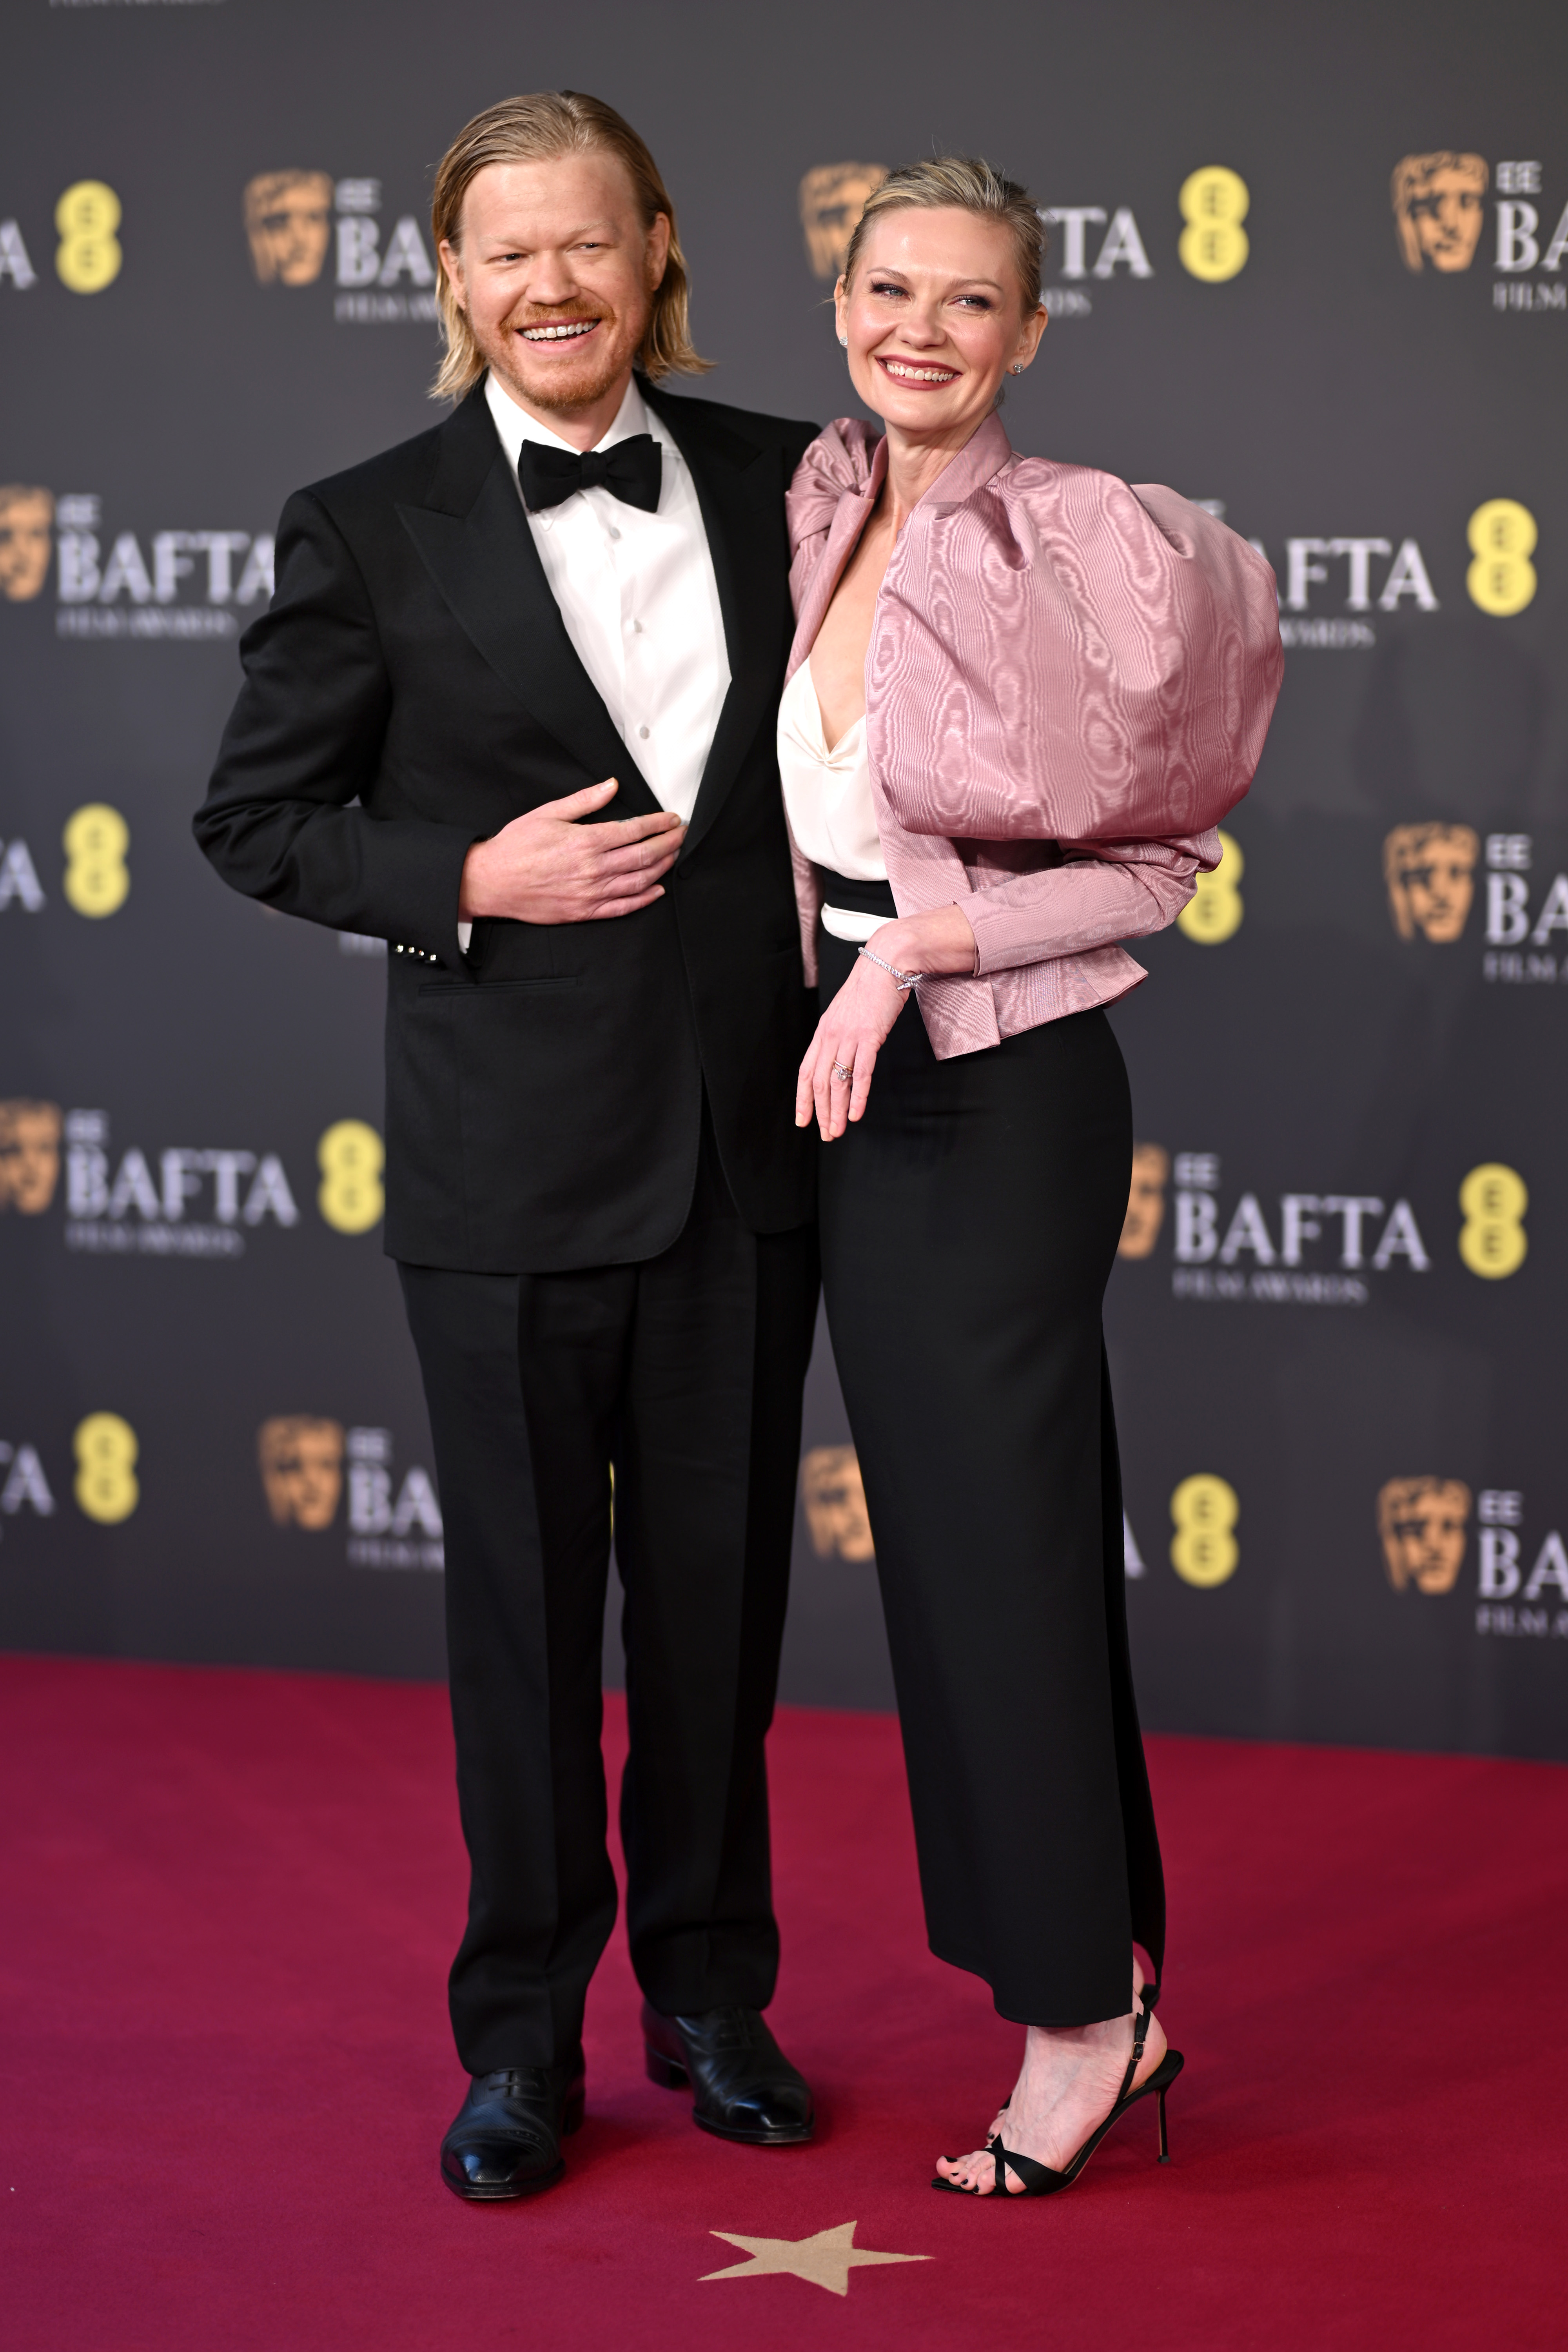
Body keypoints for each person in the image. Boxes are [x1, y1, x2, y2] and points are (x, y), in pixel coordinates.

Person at [195, 91, 822, 2201]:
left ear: (656, 249)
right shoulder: (364, 523)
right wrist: (468, 872)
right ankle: (525, 2043)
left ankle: (716, 1998)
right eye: (504, 253)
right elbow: (256, 819)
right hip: (503, 1171)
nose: (550, 285)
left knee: (723, 1623)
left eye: (587, 242)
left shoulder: (795, 479)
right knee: (529, 1631)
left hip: (751, 1156)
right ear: (454, 284)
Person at [780, 156, 1281, 2197]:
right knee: (966, 1564)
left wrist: (912, 949)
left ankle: (1086, 2027)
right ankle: (1093, 1984)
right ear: (842, 303)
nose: (923, 329)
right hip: (838, 1088)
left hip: (995, 1095)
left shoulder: (1085, 543)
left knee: (1005, 1563)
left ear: (1031, 330)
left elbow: (1164, 858)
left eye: (970, 301)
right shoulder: (821, 500)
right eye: (891, 288)